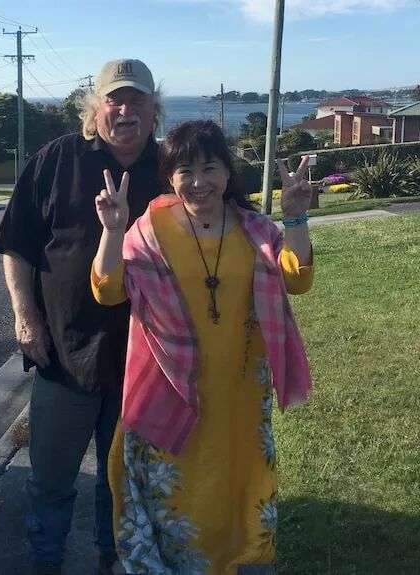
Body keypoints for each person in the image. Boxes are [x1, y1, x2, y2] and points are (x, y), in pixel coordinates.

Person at [91, 120, 315, 574]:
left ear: (228, 173)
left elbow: (297, 278)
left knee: (236, 482)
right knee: (174, 491)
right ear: (169, 175)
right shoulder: (148, 231)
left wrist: (294, 217)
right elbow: (108, 290)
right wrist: (112, 230)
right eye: (185, 170)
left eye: (210, 168)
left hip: (239, 393)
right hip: (169, 386)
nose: (198, 182)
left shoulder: (255, 230)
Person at [0, 59, 162, 575]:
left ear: (154, 110)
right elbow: (15, 246)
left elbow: (226, 224)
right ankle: (46, 563)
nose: (125, 109)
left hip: (145, 362)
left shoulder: (175, 167)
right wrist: (25, 319)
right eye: (115, 99)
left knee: (123, 483)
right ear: (97, 107)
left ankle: (113, 563)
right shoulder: (57, 159)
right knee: (51, 478)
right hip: (64, 354)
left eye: (136, 100)